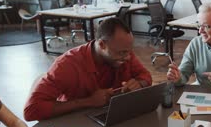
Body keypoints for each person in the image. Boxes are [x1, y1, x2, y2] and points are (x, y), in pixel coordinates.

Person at [24, 17, 152, 121]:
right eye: (122, 53)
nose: (128, 57)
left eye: (129, 51)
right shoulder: (67, 65)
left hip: (113, 119)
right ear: (102, 45)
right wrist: (87, 101)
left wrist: (139, 84)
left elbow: (145, 76)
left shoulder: (123, 53)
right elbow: (31, 111)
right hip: (75, 125)